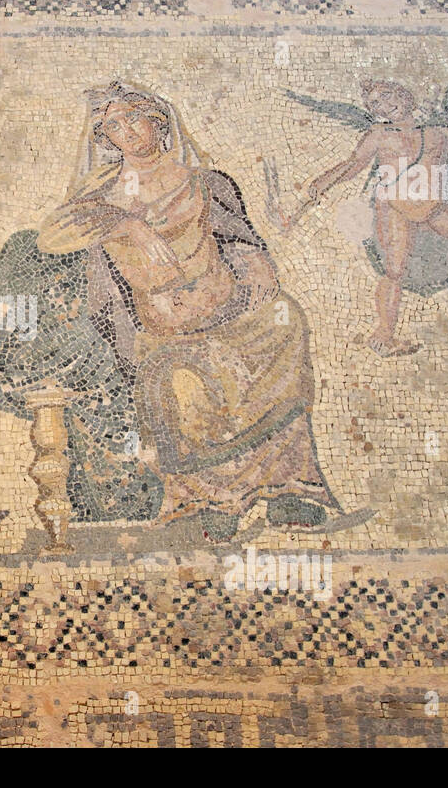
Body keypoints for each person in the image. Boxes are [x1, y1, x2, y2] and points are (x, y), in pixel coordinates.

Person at [36, 81, 339, 539]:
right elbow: (51, 235)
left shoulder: (202, 182)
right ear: (106, 139)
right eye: (114, 125)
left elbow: (237, 238)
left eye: (135, 117)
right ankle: (214, 499)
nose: (128, 131)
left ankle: (286, 488)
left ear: (158, 121)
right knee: (185, 388)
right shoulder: (101, 197)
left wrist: (255, 263)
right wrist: (129, 224)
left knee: (286, 322)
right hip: (165, 332)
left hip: (232, 313)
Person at [306, 79, 448, 357]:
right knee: (394, 271)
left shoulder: (443, 132)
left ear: (404, 93)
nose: (385, 106)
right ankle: (384, 334)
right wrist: (323, 181)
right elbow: (354, 164)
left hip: (432, 204)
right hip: (394, 206)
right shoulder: (379, 134)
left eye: (387, 96)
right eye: (376, 104)